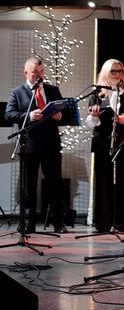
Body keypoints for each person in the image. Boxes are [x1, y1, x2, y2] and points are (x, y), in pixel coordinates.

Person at [5, 57, 67, 233]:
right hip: (29, 145)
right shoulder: (17, 92)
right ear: (26, 73)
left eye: (41, 72)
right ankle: (28, 223)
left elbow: (63, 113)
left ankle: (58, 223)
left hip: (51, 145)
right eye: (35, 72)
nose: (39, 76)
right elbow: (9, 115)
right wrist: (30, 115)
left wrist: (59, 116)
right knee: (29, 186)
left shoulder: (53, 90)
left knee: (54, 184)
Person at [86, 59, 124, 232]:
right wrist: (94, 116)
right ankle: (103, 223)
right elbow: (91, 123)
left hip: (123, 142)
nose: (117, 74)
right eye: (113, 71)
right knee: (103, 182)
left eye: (120, 71)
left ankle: (123, 223)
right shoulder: (97, 93)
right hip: (103, 142)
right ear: (106, 73)